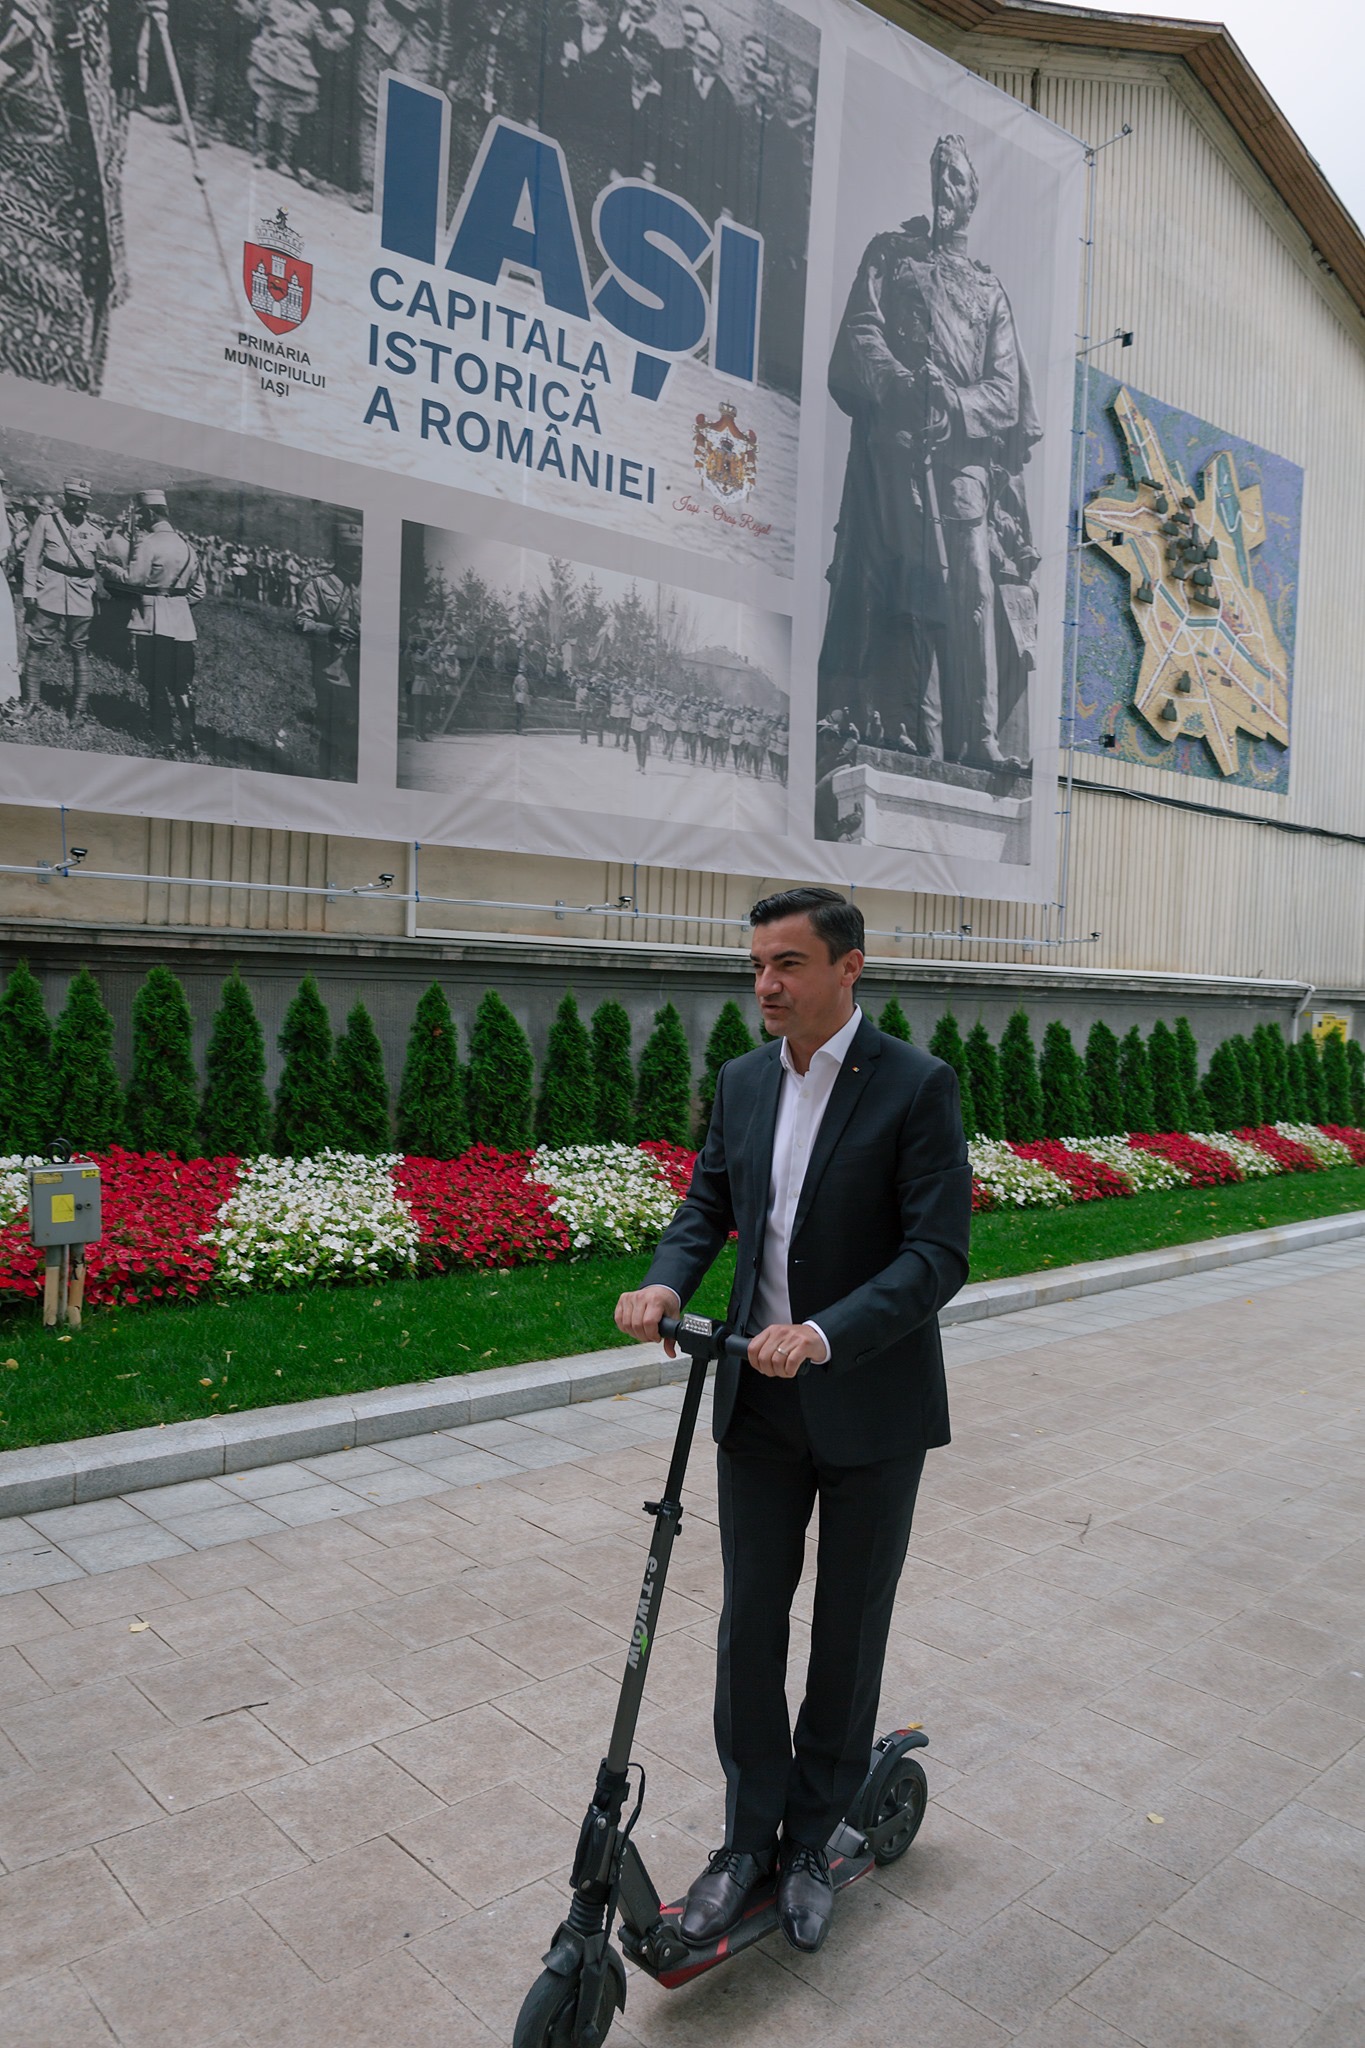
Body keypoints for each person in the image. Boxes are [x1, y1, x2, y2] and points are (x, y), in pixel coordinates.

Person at [615, 888, 970, 1955]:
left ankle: (812, 1841)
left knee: (847, 1632)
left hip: (870, 1404)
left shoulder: (915, 1083)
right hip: (757, 1404)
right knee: (749, 1627)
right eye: (757, 965)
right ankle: (744, 1840)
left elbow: (936, 1254)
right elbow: (707, 1205)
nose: (765, 984)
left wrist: (822, 1332)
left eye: (788, 964)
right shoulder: (743, 1080)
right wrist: (668, 1280)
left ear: (849, 967)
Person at [818, 135, 1038, 774]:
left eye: (957, 178)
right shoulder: (890, 255)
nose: (945, 185)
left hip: (963, 462)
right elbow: (861, 331)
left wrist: (955, 405)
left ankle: (981, 740)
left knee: (972, 592)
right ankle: (902, 729)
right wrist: (905, 387)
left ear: (972, 198)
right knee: (902, 587)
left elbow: (1006, 392)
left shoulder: (990, 291)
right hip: (897, 450)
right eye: (939, 172)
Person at [104, 488, 206, 756]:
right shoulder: (187, 546)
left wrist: (109, 569)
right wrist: (177, 603)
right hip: (183, 625)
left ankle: (166, 741)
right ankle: (190, 739)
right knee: (182, 685)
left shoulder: (149, 543)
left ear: (150, 513)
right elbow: (199, 591)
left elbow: (134, 579)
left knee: (155, 682)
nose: (139, 519)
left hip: (153, 623)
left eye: (141, 515)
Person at [19, 475, 103, 724]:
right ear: (65, 498)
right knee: (37, 644)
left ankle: (78, 709)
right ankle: (31, 700)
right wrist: (29, 592)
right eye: (75, 499)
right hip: (49, 590)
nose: (80, 505)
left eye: (84, 501)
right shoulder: (47, 521)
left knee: (79, 649)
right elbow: (31, 558)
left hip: (81, 595)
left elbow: (103, 564)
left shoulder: (95, 532)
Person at [296, 517, 362, 777]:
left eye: (360, 552)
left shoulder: (370, 587)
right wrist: (331, 631)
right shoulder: (318, 585)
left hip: (363, 671)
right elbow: (301, 623)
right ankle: (328, 778)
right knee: (332, 728)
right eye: (352, 552)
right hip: (331, 669)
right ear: (339, 551)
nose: (358, 558)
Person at [512, 665, 530, 734]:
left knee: (520, 713)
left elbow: (514, 687)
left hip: (520, 696)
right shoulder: (521, 678)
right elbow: (517, 687)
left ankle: (518, 729)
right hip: (520, 696)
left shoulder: (518, 677)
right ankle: (519, 729)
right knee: (521, 713)